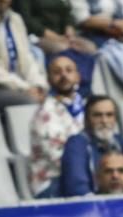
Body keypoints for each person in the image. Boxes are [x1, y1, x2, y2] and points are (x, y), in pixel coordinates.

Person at [60, 94, 123, 195]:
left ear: (115, 119)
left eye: (109, 115)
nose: (104, 121)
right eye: (98, 115)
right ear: (86, 119)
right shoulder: (76, 144)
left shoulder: (120, 141)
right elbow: (77, 189)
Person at [29, 55, 85, 198]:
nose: (64, 75)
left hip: (83, 176)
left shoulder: (86, 107)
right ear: (48, 79)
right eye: (57, 72)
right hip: (53, 184)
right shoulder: (45, 113)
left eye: (68, 70)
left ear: (78, 76)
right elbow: (58, 159)